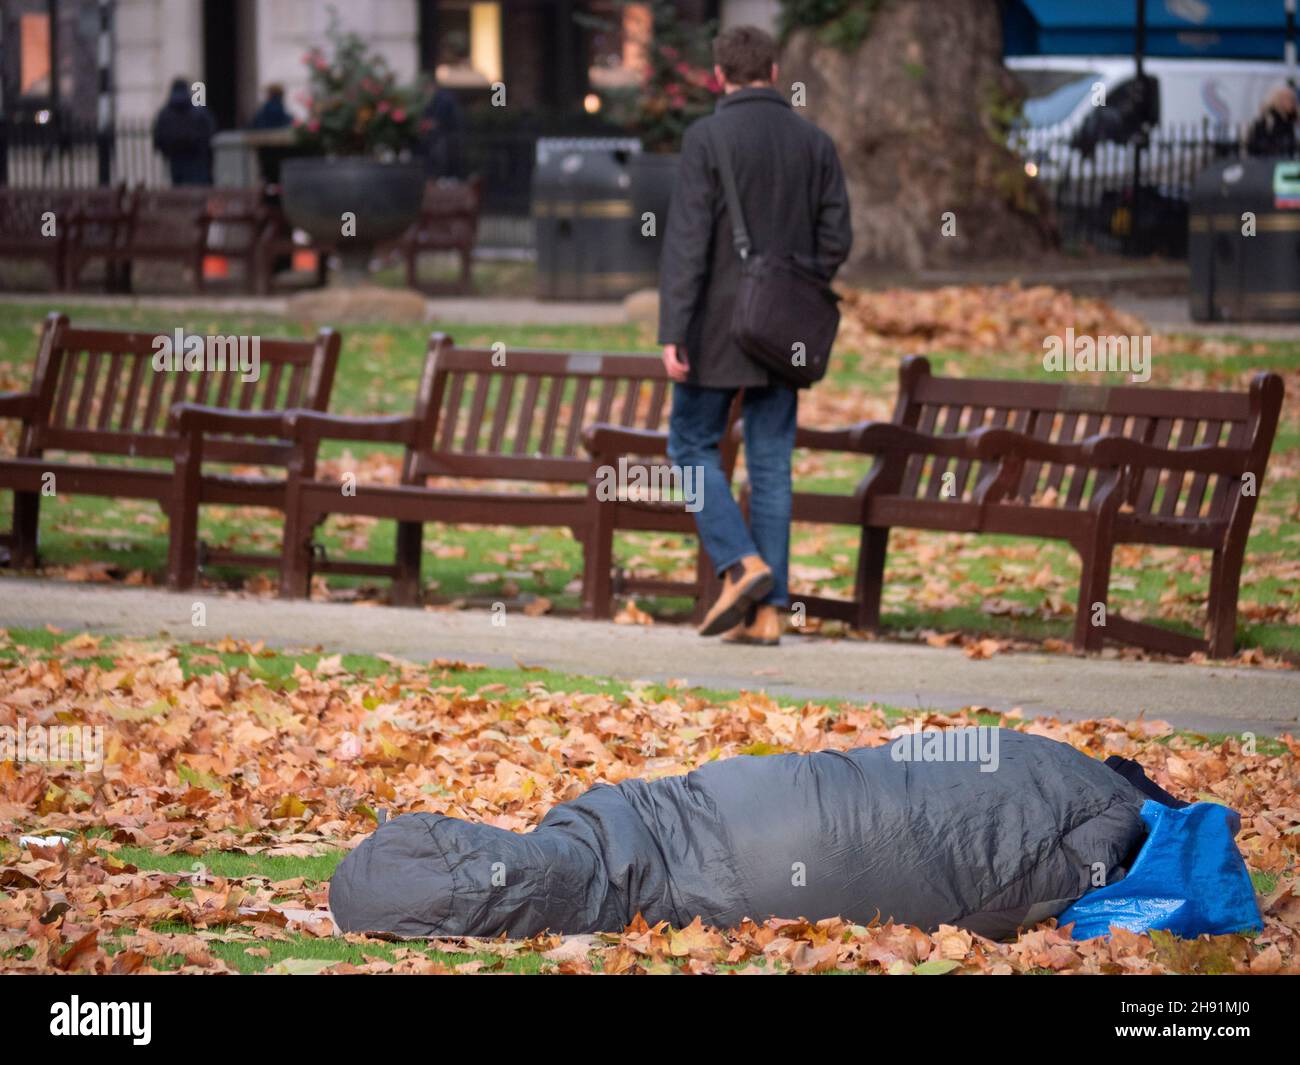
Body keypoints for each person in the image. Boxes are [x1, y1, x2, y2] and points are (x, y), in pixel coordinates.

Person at [657, 25, 851, 646]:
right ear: (773, 70)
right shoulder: (814, 142)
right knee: (770, 467)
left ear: (719, 77)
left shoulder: (706, 138)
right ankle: (770, 614)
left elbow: (687, 244)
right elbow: (836, 239)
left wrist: (673, 330)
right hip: (784, 334)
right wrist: (794, 285)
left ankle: (742, 564)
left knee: (689, 449)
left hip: (715, 331)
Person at [152, 77, 216, 186]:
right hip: (198, 162)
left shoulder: (164, 113)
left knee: (178, 193)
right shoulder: (199, 112)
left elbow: (158, 138)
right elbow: (210, 134)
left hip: (175, 162)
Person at [1246, 85, 1298, 157]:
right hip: (1270, 163)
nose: (1292, 103)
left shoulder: (1291, 121)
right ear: (1279, 101)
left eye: (1293, 99)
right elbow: (1255, 147)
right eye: (1289, 99)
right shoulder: (1266, 122)